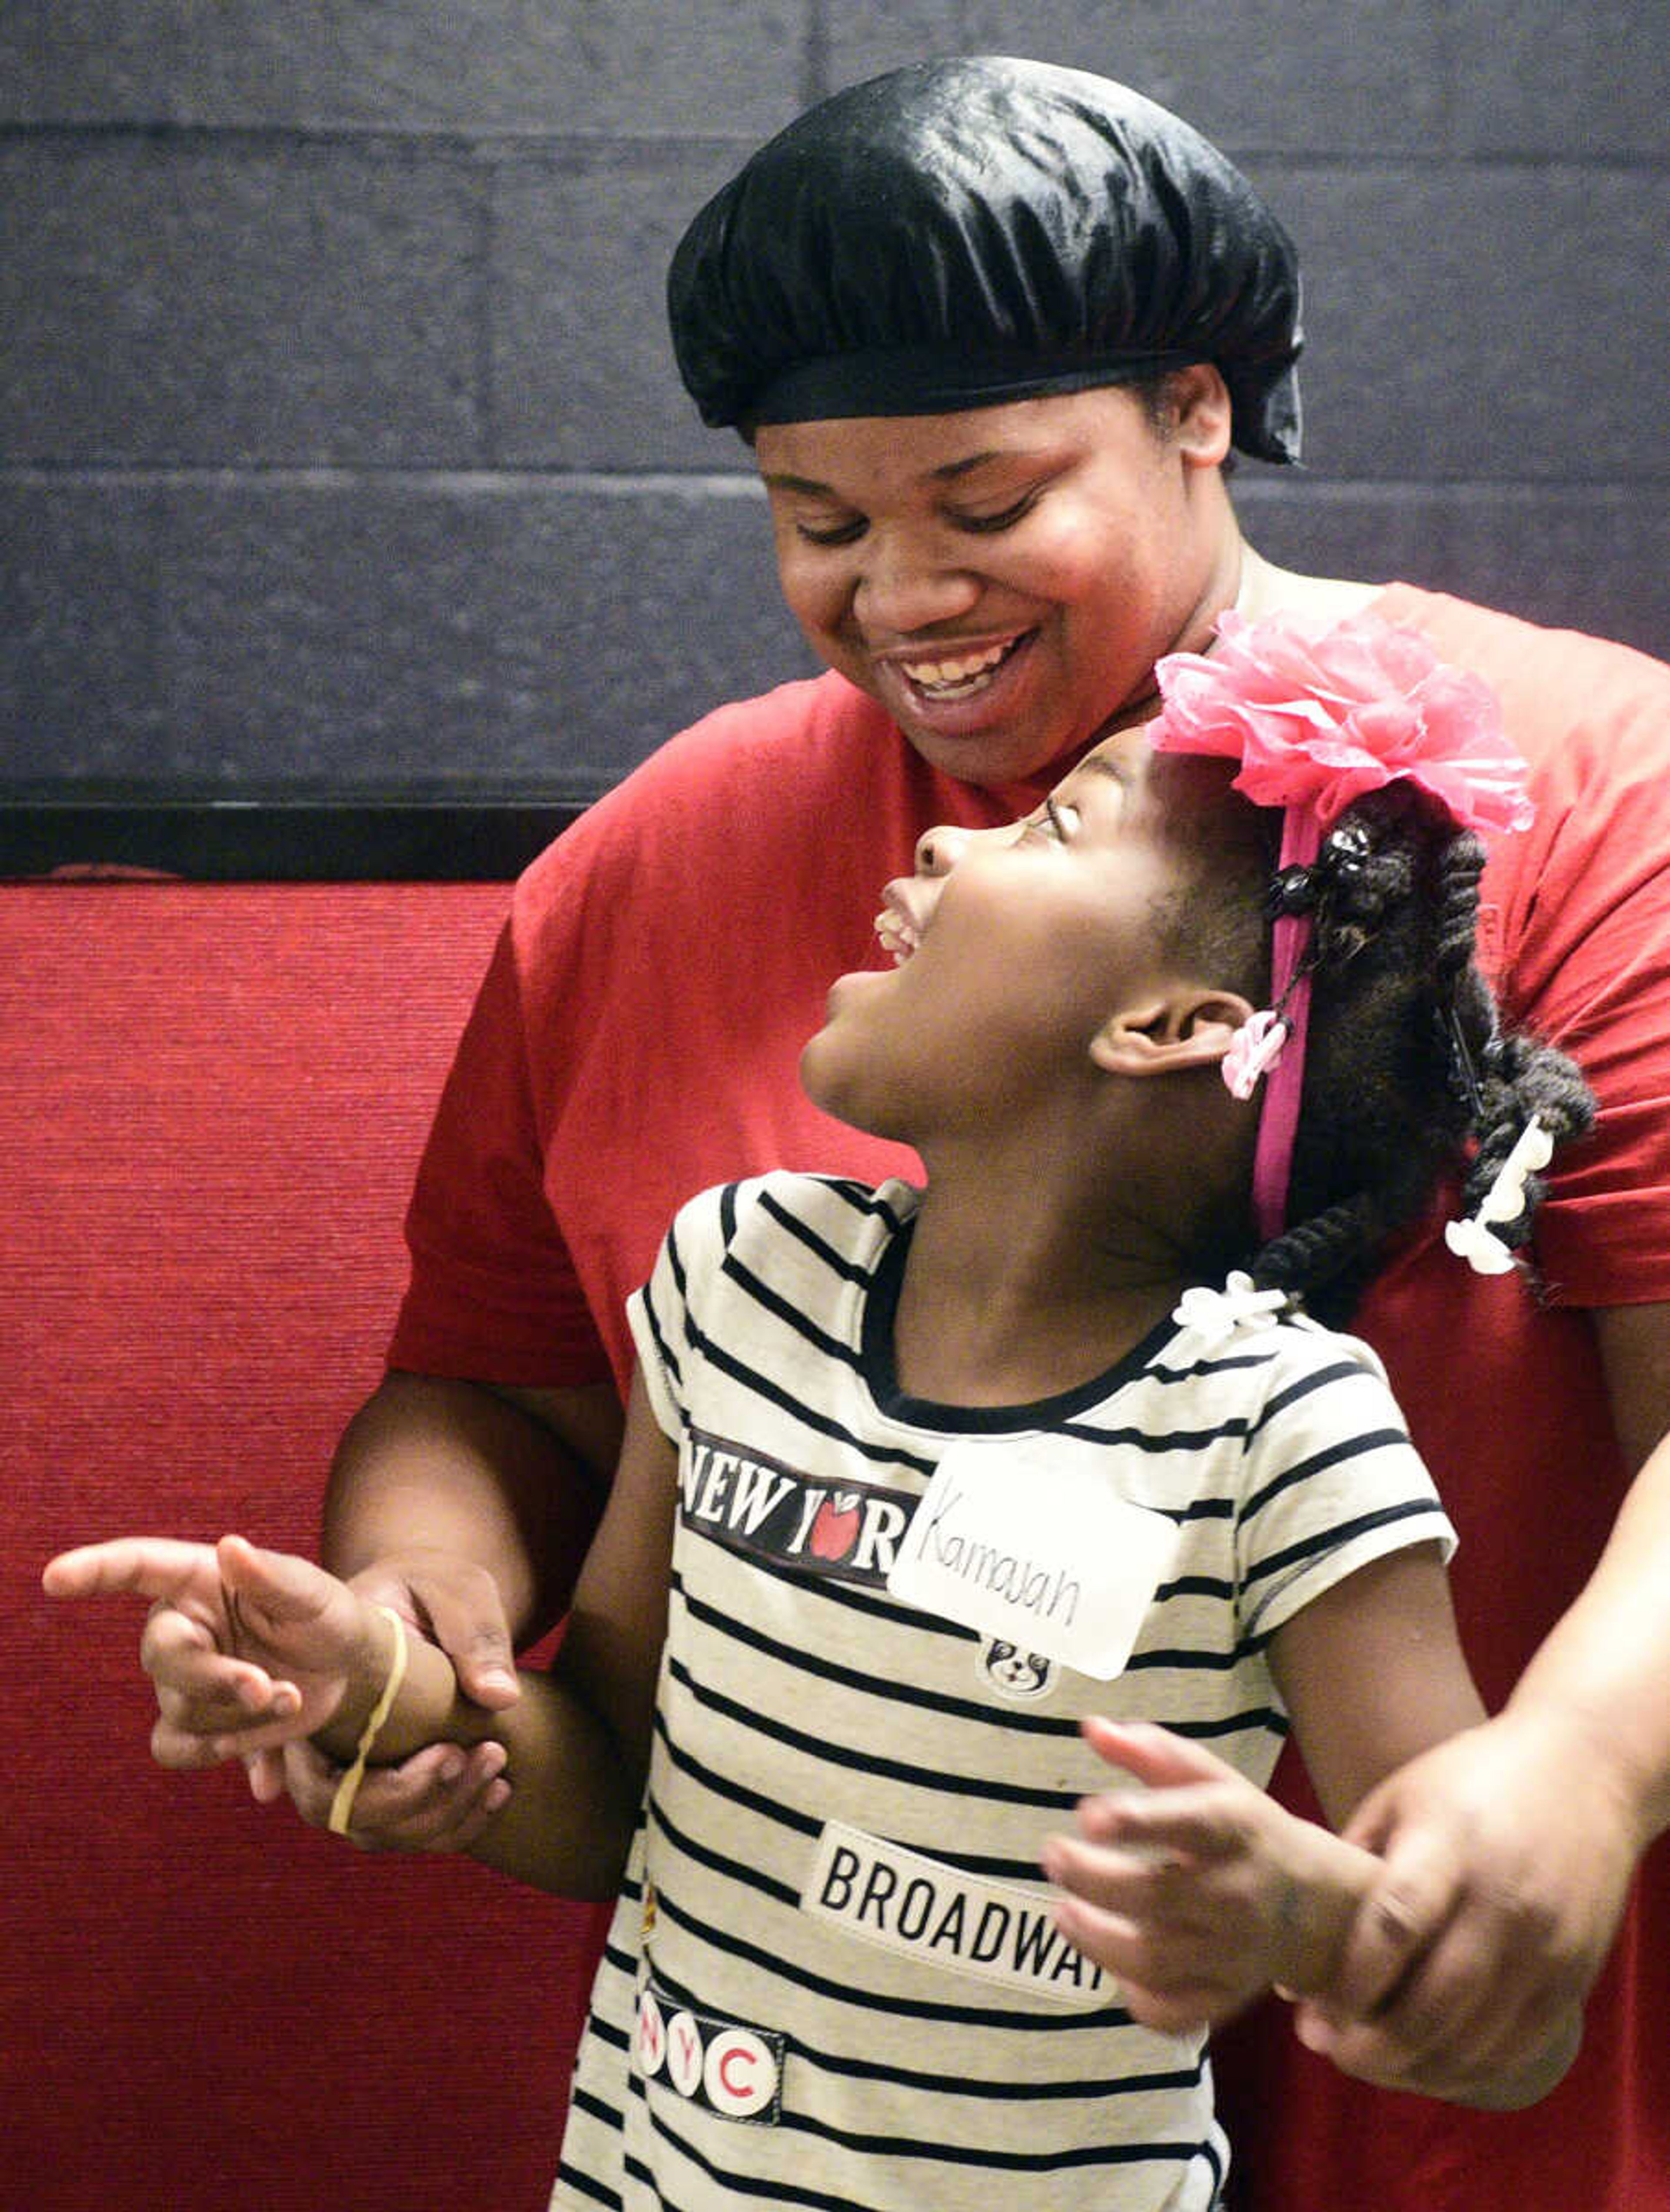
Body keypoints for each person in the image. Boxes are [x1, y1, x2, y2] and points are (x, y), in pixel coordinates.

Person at [121, 57, 1670, 2211]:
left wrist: (1578, 1773)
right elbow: (493, 1392)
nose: (903, 598)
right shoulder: (669, 891)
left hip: (1425, 2075)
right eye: (819, 522)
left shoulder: (1574, 795)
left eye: (986, 498)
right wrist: (427, 1634)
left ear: (1199, 413)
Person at [47, 640, 1596, 2206]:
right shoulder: (740, 1274)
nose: (944, 836)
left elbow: (1513, 2018)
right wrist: (384, 1692)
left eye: (1055, 828)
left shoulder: (1281, 1431)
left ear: (1174, 1025)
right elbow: (611, 1802)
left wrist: (1315, 1923)